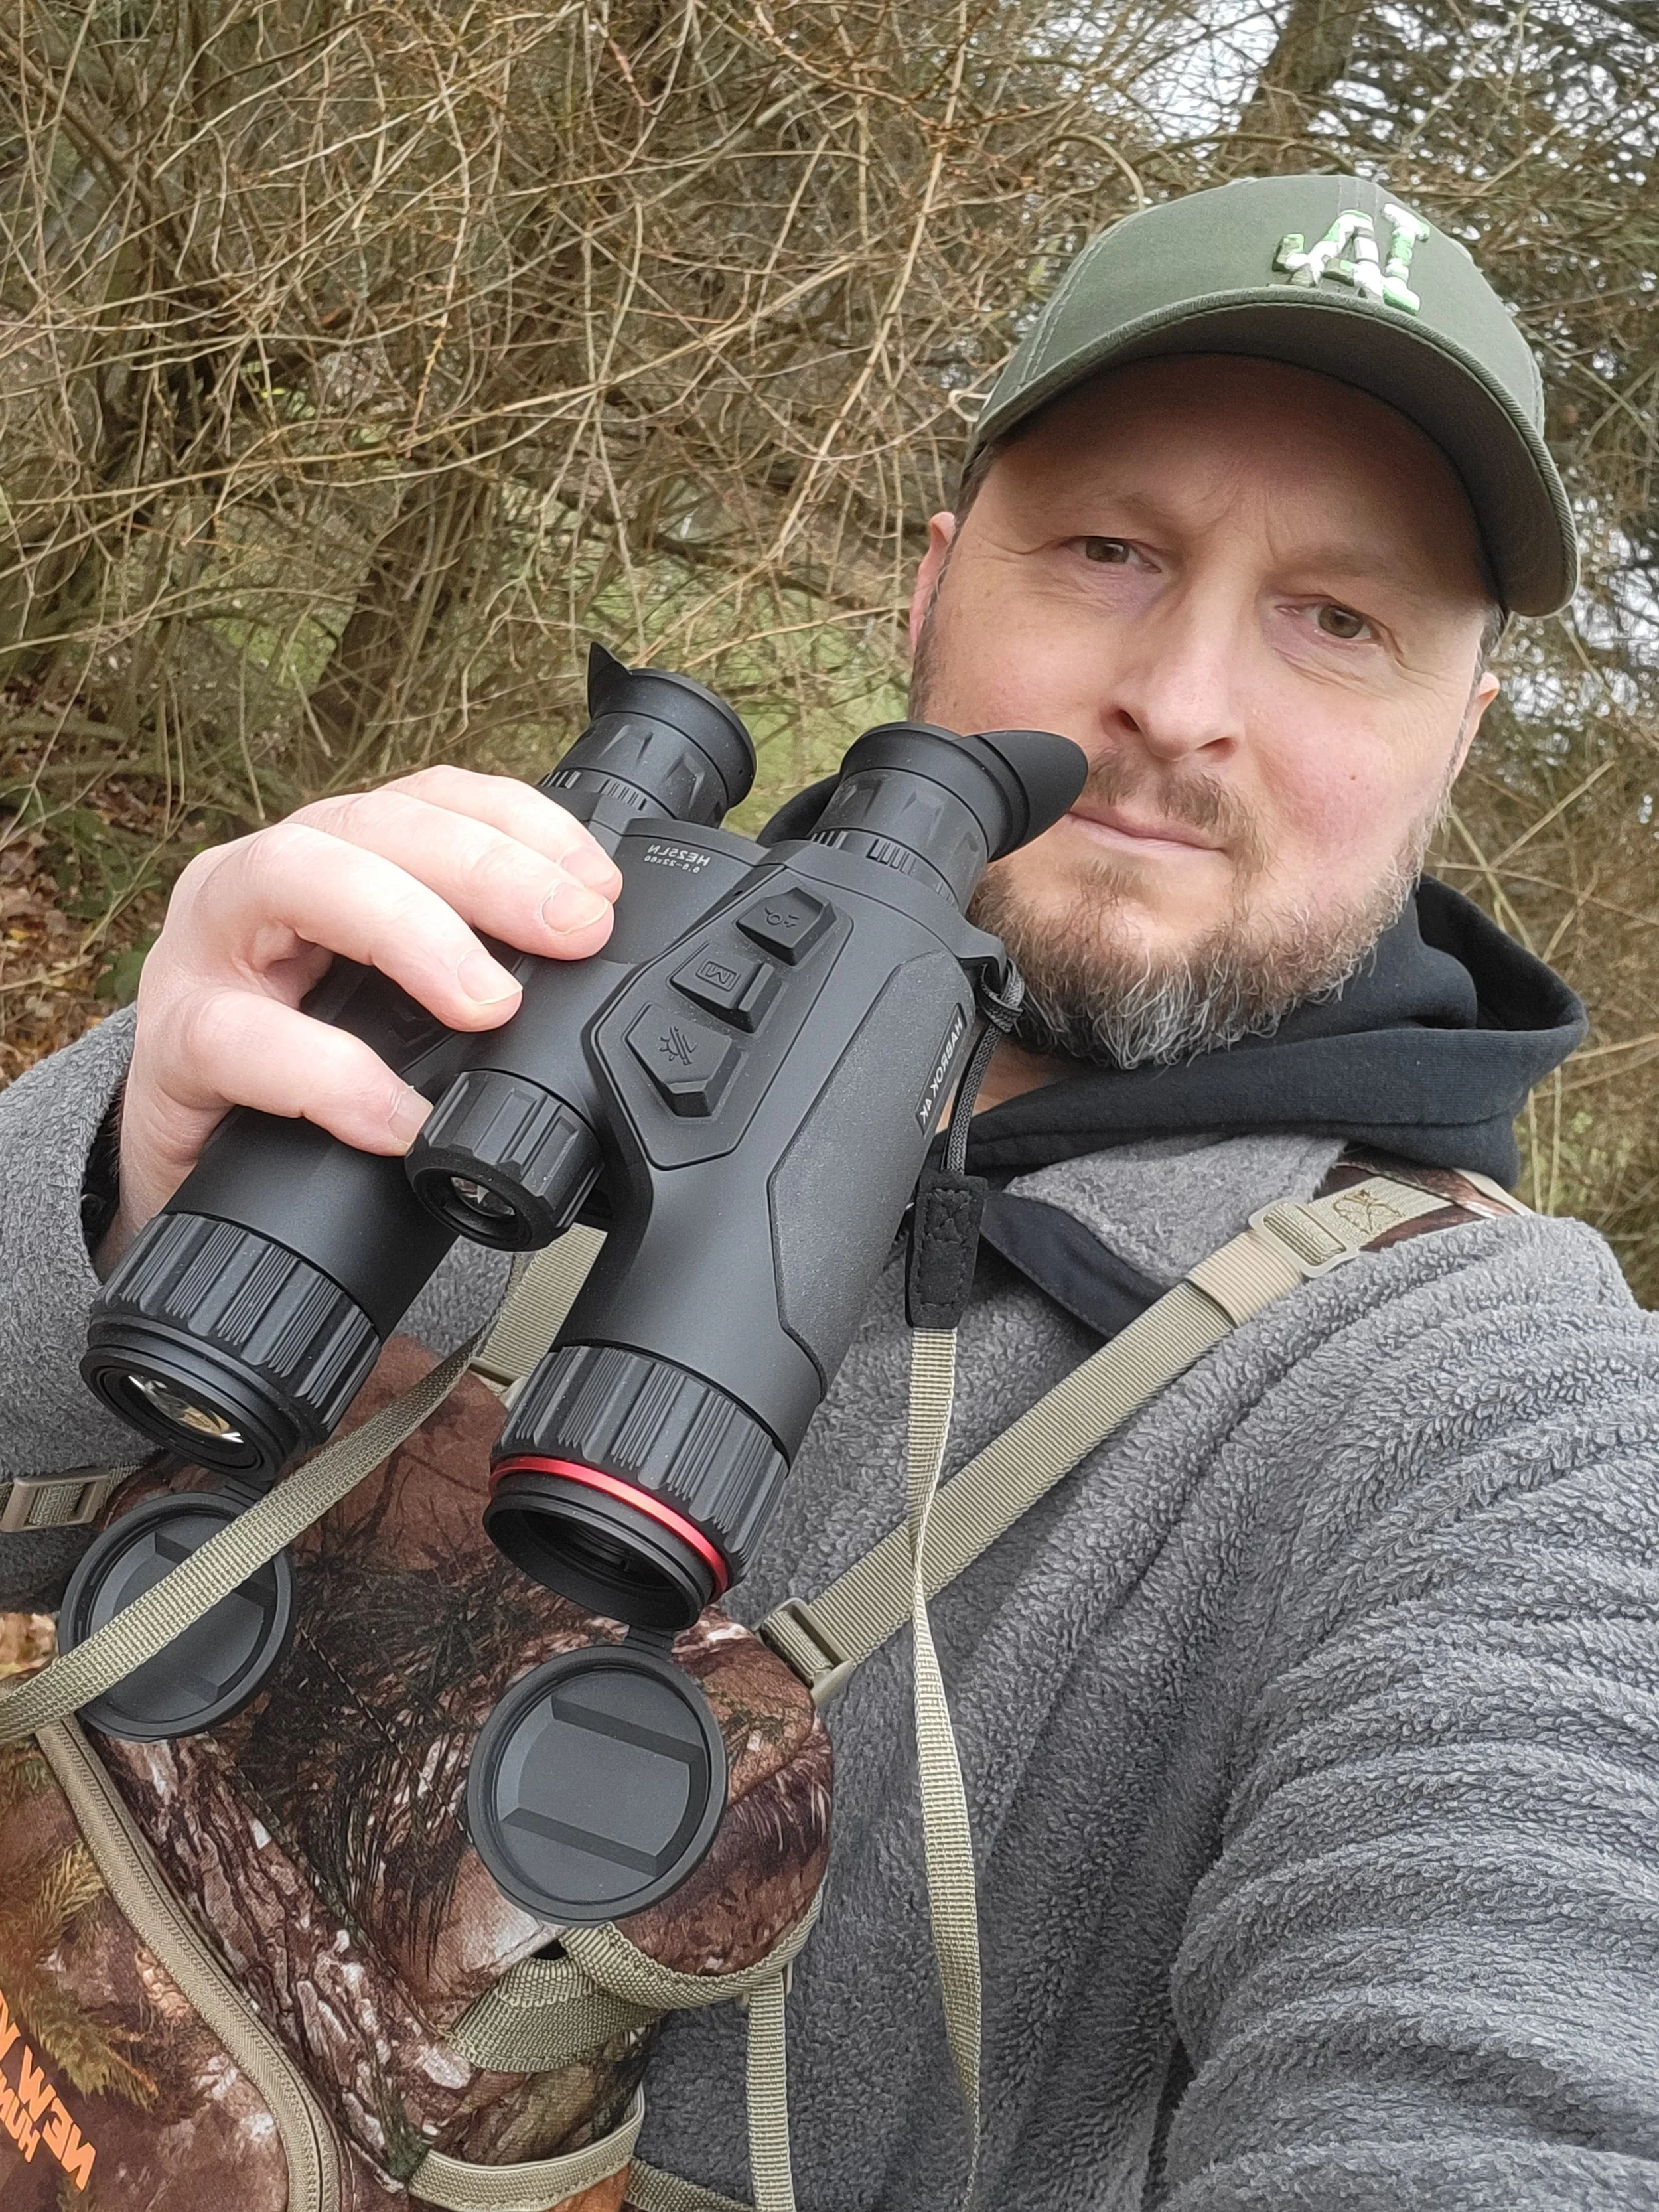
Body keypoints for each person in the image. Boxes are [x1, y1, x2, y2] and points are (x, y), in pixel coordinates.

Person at [1, 171, 1654, 2209]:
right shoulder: (483, 953)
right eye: (1110, 549)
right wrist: (106, 1182)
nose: (1183, 701)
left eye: (1339, 618)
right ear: (933, 585)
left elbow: (1515, 2078)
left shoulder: (1494, 1408)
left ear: (1457, 733)